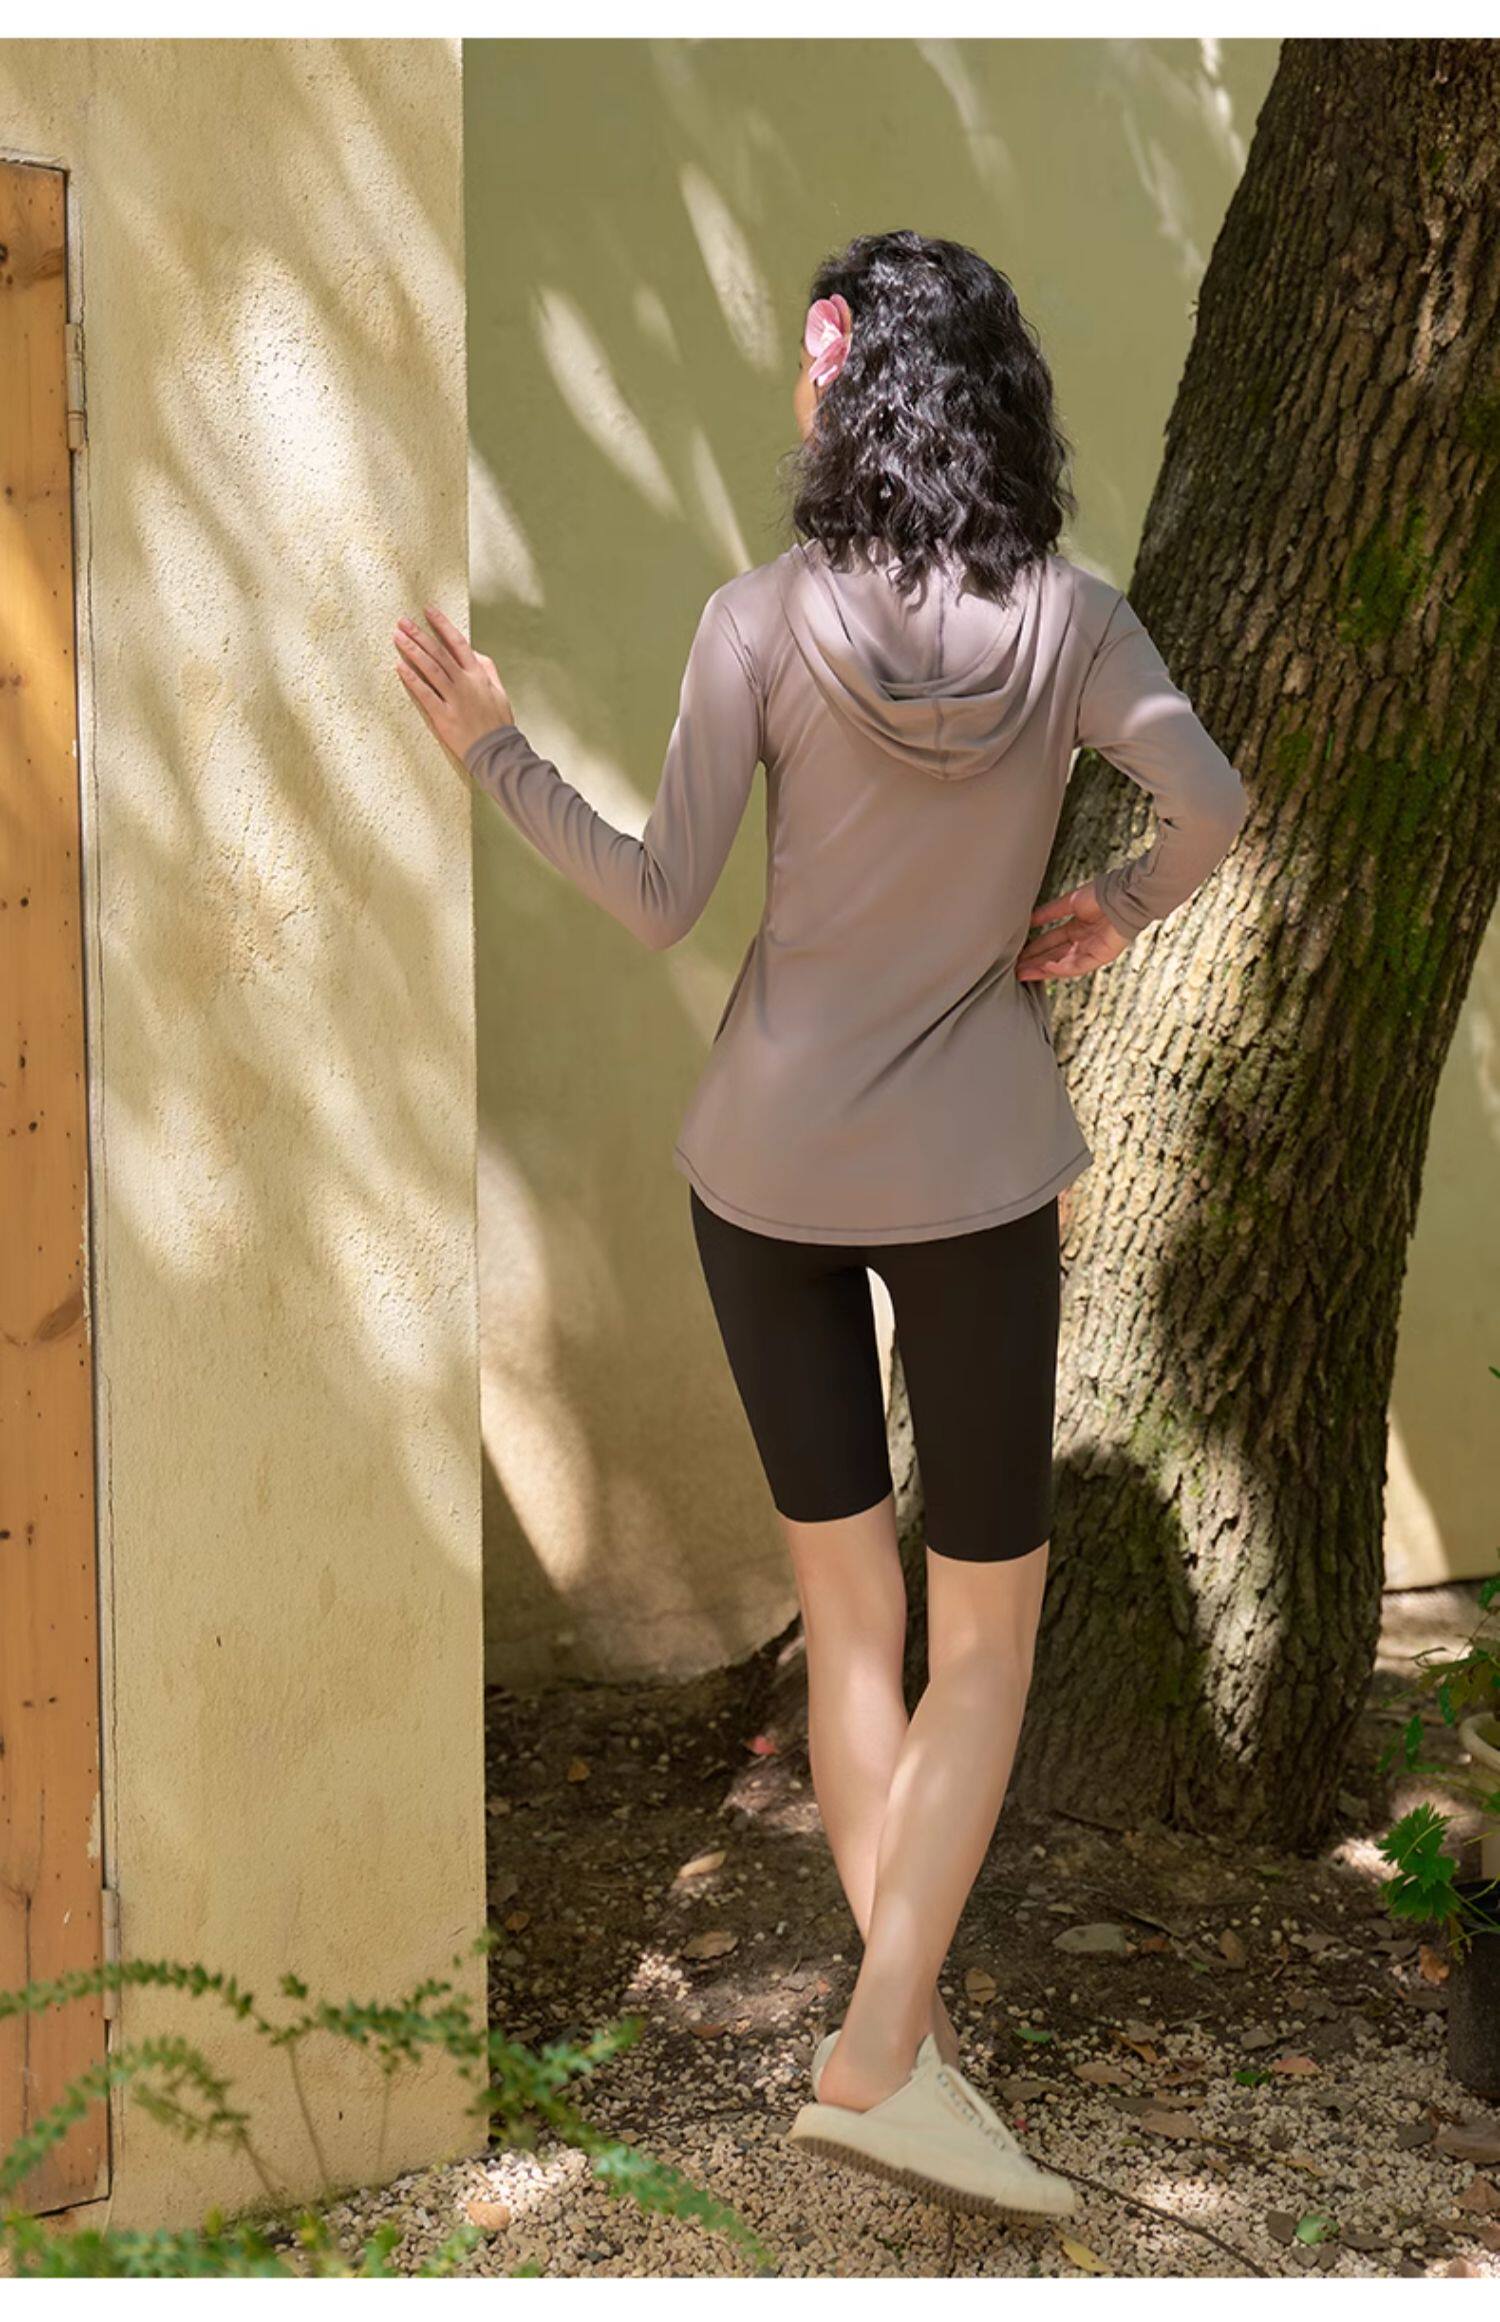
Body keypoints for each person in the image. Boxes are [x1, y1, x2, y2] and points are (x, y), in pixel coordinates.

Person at [392, 229, 1248, 2220]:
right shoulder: (1078, 624)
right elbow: (1212, 807)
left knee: (857, 1623)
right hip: (969, 1174)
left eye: (812, 361)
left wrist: (490, 747)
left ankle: (900, 2052)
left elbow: (658, 895)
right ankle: (879, 2054)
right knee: (986, 1636)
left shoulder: (757, 619)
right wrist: (1108, 910)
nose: (795, 389)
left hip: (759, 1175)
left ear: (857, 391)